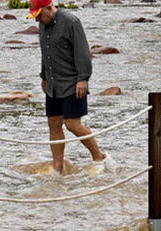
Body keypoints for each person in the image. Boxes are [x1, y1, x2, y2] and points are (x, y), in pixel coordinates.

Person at [29, 0, 107, 174]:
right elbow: (45, 52)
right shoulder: (43, 25)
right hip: (52, 83)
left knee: (72, 124)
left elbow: (83, 53)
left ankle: (98, 156)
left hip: (73, 82)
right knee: (53, 122)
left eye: (39, 15)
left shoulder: (71, 22)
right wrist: (44, 77)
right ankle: (58, 167)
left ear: (49, 8)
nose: (37, 20)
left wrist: (83, 79)